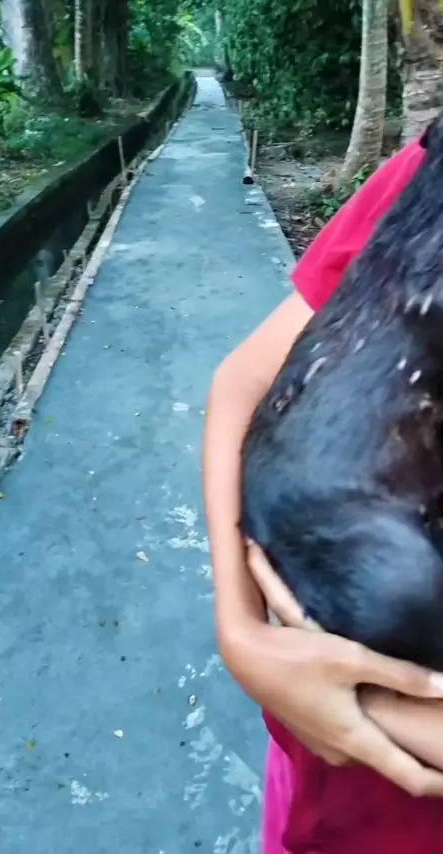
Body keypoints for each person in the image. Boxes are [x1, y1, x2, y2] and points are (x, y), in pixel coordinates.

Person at [202, 130, 443, 854]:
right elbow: (246, 381)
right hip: (316, 776)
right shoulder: (423, 173)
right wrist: (242, 637)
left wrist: (371, 709)